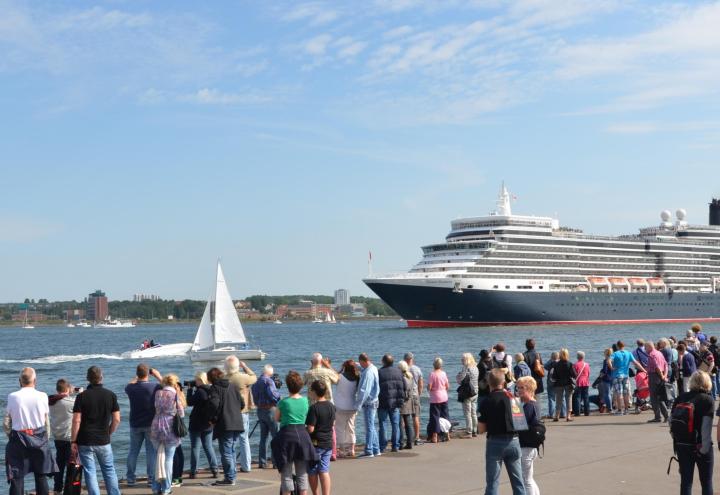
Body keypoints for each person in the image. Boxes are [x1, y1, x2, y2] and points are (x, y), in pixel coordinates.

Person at [4, 367, 57, 495]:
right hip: (39, 437)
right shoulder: (43, 396)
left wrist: (10, 436)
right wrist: (45, 438)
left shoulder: (12, 396)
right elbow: (46, 421)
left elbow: (6, 423)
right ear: (35, 380)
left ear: (19, 381)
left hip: (18, 438)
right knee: (40, 475)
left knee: (17, 476)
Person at [71, 366, 121, 495]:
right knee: (109, 470)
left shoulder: (81, 397)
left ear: (87, 379)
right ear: (101, 377)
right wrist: (109, 432)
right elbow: (116, 419)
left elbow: (76, 420)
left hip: (85, 440)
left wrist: (73, 441)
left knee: (90, 471)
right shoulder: (111, 395)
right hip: (103, 440)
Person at [478, 369, 527, 495]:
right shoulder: (513, 398)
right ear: (504, 382)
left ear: (489, 383)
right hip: (514, 440)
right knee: (518, 482)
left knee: (492, 482)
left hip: (495, 442)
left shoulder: (486, 401)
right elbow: (521, 422)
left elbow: (481, 429)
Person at [272, 371, 314, 495]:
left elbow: (277, 418)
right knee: (302, 472)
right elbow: (307, 417)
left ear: (288, 386)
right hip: (302, 435)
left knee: (286, 473)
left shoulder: (283, 402)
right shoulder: (306, 401)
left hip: (287, 437)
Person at [674, 371, 713, 495]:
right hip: (701, 446)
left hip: (682, 445)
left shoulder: (681, 397)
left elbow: (672, 422)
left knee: (686, 482)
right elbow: (706, 428)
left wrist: (679, 441)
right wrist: (704, 450)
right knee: (706, 482)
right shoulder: (707, 400)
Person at [124, 363, 162, 486]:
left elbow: (129, 385)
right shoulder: (154, 386)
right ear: (148, 374)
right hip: (150, 423)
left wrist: (137, 377)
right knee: (151, 452)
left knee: (133, 451)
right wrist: (158, 375)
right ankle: (151, 479)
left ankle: (130, 478)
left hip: (135, 423)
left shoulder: (131, 388)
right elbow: (168, 386)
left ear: (137, 374)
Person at [208, 366, 245, 486]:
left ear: (211, 378)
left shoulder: (215, 388)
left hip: (225, 423)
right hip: (237, 422)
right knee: (231, 450)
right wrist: (234, 411)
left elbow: (214, 404)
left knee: (226, 451)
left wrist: (213, 419)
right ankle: (232, 475)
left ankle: (229, 478)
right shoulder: (232, 386)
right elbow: (242, 403)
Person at [150, 374, 185, 495]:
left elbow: (155, 407)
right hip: (170, 427)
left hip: (156, 425)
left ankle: (155, 487)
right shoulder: (175, 394)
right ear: (175, 383)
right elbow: (181, 413)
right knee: (168, 460)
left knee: (156, 458)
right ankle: (166, 489)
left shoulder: (158, 393)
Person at [225, 356, 257, 474]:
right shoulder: (242, 378)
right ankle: (246, 466)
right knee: (244, 440)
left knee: (230, 441)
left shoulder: (223, 378)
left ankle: (231, 467)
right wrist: (245, 367)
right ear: (237, 366)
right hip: (242, 412)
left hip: (228, 413)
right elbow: (254, 377)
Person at [49, 379, 79, 494]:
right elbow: (82, 402)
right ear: (67, 389)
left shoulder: (51, 401)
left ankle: (57, 488)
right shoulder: (71, 402)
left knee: (59, 463)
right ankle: (70, 490)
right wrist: (77, 392)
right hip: (69, 438)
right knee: (71, 464)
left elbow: (60, 397)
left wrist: (68, 391)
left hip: (57, 437)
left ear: (57, 389)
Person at [186, 371, 219, 479]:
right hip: (208, 423)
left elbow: (189, 402)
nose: (195, 381)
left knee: (195, 447)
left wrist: (190, 390)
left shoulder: (200, 391)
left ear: (200, 380)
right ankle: (215, 469)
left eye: (196, 379)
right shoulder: (211, 390)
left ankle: (193, 472)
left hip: (196, 423)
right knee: (208, 446)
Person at [306, 380, 336, 495]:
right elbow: (333, 424)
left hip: (315, 443)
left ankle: (315, 493)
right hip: (327, 442)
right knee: (324, 470)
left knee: (313, 470)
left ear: (314, 392)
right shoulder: (331, 406)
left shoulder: (314, 408)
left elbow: (311, 429)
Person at [251, 364, 281, 469]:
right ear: (270, 372)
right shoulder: (269, 381)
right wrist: (279, 398)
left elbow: (253, 397)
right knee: (275, 436)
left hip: (260, 410)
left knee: (263, 437)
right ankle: (275, 462)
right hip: (270, 409)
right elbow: (273, 395)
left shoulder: (255, 382)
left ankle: (262, 462)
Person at [516, 376, 541, 495]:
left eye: (522, 388)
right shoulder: (530, 404)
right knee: (529, 479)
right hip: (530, 445)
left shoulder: (529, 406)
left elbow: (519, 424)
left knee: (526, 480)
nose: (519, 390)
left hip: (526, 446)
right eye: (518, 388)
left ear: (529, 389)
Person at [377, 354, 406, 453]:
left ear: (383, 362)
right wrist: (401, 399)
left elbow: (376, 388)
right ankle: (395, 446)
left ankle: (383, 446)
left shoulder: (379, 372)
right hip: (395, 402)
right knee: (395, 424)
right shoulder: (399, 372)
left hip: (383, 401)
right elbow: (404, 386)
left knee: (383, 424)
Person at [354, 353, 381, 457]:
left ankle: (369, 450)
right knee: (372, 426)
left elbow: (364, 390)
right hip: (374, 401)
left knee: (369, 427)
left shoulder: (368, 373)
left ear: (363, 361)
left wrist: (358, 405)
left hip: (369, 403)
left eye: (360, 362)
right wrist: (356, 365)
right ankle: (376, 449)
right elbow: (363, 369)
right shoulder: (372, 368)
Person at [610, 341, 646, 415]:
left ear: (617, 346)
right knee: (626, 393)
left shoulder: (615, 353)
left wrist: (612, 367)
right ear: (624, 345)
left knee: (619, 393)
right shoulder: (628, 353)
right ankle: (626, 410)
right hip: (626, 376)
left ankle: (620, 410)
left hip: (617, 375)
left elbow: (608, 360)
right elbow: (636, 362)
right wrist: (644, 370)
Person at [334, 359, 359, 457]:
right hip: (352, 406)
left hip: (340, 406)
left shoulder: (340, 377)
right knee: (351, 427)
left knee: (340, 428)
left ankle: (341, 451)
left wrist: (340, 369)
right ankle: (352, 449)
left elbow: (333, 375)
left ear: (345, 367)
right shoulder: (357, 378)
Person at [427, 357, 450, 443]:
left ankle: (435, 436)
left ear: (434, 365)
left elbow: (429, 387)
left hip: (435, 397)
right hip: (444, 396)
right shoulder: (444, 373)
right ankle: (447, 434)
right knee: (445, 415)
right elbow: (447, 386)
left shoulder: (432, 374)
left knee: (435, 417)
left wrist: (429, 388)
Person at [644, 340, 669, 423]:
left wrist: (662, 376)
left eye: (645, 347)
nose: (644, 349)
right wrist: (665, 375)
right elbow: (666, 364)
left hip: (654, 376)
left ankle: (658, 417)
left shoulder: (651, 355)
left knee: (654, 398)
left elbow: (657, 367)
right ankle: (666, 416)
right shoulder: (659, 353)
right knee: (660, 397)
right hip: (660, 375)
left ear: (649, 347)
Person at [404, 352, 424, 446]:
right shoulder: (417, 369)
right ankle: (417, 437)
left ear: (405, 360)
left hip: (406, 396)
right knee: (415, 417)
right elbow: (421, 384)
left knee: (405, 418)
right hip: (415, 394)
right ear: (412, 359)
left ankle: (405, 437)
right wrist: (419, 393)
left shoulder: (402, 369)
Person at [457, 352, 479, 438]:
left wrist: (458, 376)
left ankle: (469, 431)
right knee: (474, 412)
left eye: (463, 359)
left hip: (467, 393)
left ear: (466, 360)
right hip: (475, 391)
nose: (461, 361)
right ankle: (475, 430)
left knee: (467, 413)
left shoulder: (466, 369)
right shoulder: (475, 368)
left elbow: (460, 380)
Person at [550, 349, 576, 422]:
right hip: (568, 383)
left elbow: (554, 376)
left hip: (558, 384)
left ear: (560, 355)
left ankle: (556, 416)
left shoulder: (556, 364)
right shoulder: (569, 364)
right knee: (568, 399)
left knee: (558, 400)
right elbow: (574, 375)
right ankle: (568, 416)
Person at [397, 360, 416, 449]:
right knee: (408, 423)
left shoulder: (401, 378)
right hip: (409, 401)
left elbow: (400, 391)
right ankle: (410, 442)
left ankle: (401, 443)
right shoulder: (410, 376)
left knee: (400, 424)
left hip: (402, 402)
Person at [544, 352, 565, 419]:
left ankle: (551, 414)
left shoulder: (551, 363)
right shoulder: (561, 363)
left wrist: (551, 359)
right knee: (562, 398)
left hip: (551, 382)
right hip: (560, 382)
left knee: (551, 398)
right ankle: (563, 413)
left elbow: (545, 366)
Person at [572, 352, 590, 417]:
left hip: (578, 382)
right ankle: (587, 412)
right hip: (586, 382)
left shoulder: (575, 365)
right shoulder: (587, 364)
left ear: (577, 357)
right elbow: (588, 374)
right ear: (583, 357)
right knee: (586, 397)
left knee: (577, 397)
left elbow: (574, 375)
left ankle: (577, 412)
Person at [598, 348, 614, 414]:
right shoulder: (613, 360)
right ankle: (606, 406)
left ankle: (609, 408)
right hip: (612, 378)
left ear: (606, 353)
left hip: (606, 378)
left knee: (607, 394)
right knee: (609, 393)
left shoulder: (606, 360)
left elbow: (605, 370)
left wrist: (601, 375)